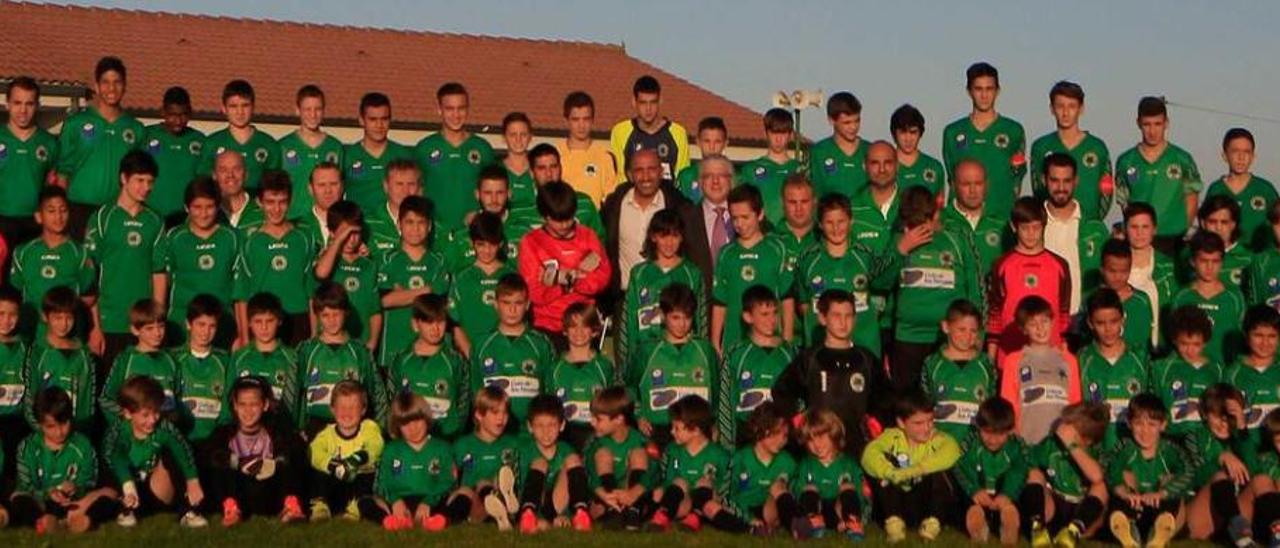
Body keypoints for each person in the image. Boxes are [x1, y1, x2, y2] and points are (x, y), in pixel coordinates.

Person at [772, 289, 891, 459]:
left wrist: (876, 422)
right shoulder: (810, 359)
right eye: (836, 316)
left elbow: (885, 398)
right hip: (818, 449)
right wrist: (799, 420)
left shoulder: (866, 360)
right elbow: (782, 392)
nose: (843, 322)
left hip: (857, 448)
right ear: (822, 318)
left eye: (848, 316)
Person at [891, 185, 980, 390]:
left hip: (949, 341)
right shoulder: (900, 238)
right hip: (908, 338)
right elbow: (880, 282)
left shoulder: (957, 237)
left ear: (935, 214)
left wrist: (977, 337)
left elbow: (976, 288)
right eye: (912, 224)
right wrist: (901, 249)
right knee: (909, 407)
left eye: (923, 223)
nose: (918, 230)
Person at [86, 150, 164, 363]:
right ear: (123, 178)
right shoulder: (102, 217)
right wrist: (94, 327)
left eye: (150, 181)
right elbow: (88, 276)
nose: (146, 187)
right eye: (140, 180)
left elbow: (159, 273)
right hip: (108, 321)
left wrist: (155, 321)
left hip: (141, 325)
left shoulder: (154, 220)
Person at [55, 56, 145, 237]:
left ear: (125, 86)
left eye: (117, 82)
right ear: (96, 86)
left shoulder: (136, 129)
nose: (111, 88)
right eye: (105, 82)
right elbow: (62, 173)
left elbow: (140, 177)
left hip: (118, 211)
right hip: (79, 210)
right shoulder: (75, 124)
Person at [10, 387, 119, 534]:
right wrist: (49, 493)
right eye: (51, 426)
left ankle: (84, 520)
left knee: (110, 492)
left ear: (70, 417)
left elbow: (89, 479)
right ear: (40, 424)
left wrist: (76, 488)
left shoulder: (83, 444)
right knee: (17, 497)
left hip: (74, 505)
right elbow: (26, 484)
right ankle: (43, 521)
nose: (59, 431)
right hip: (42, 503)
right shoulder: (27, 447)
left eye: (64, 423)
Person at [103, 375, 206, 528]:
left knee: (173, 454)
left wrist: (193, 480)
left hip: (155, 489)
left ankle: (187, 510)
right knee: (110, 464)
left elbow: (183, 450)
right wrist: (128, 487)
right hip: (128, 488)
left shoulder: (164, 428)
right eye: (145, 415)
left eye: (156, 412)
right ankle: (126, 510)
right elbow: (115, 458)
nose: (152, 420)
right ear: (128, 413)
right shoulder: (117, 431)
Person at [795, 193, 892, 355]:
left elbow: (881, 292)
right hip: (821, 349)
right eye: (829, 222)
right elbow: (804, 304)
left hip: (864, 345)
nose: (836, 228)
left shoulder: (866, 256)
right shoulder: (807, 260)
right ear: (819, 224)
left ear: (851, 220)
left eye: (841, 222)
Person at [202, 376, 306, 526]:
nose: (248, 410)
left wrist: (274, 463)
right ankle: (231, 510)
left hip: (269, 492)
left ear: (265, 405)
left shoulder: (276, 431)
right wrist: (237, 462)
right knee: (219, 467)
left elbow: (295, 450)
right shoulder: (224, 433)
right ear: (235, 406)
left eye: (254, 404)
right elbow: (208, 455)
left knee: (294, 460)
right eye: (242, 404)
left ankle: (290, 506)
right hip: (239, 492)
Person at [861, 390, 961, 544]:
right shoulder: (892, 436)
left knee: (940, 471)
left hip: (923, 507)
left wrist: (914, 470)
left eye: (930, 421)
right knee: (882, 466)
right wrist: (891, 472)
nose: (927, 428)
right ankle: (894, 525)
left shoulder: (936, 437)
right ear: (901, 423)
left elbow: (953, 450)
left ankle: (932, 524)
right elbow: (868, 455)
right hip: (894, 504)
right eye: (918, 423)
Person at [232, 171, 316, 347]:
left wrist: (314, 334)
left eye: (282, 202)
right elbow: (242, 294)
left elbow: (311, 292)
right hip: (263, 321)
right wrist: (245, 337)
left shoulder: (304, 238)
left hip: (298, 318)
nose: (276, 209)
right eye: (270, 202)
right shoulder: (250, 241)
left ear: (290, 201)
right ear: (259, 202)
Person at [152, 177, 239, 345]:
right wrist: (158, 320)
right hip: (180, 322)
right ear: (186, 207)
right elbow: (162, 280)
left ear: (218, 206)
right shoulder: (174, 237)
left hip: (222, 322)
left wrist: (240, 332)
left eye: (209, 207)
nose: (204, 213)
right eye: (197, 207)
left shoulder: (232, 237)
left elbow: (240, 289)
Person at [628, 283, 717, 448]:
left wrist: (715, 424)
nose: (682, 324)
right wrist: (638, 415)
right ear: (662, 315)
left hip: (696, 433)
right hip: (658, 430)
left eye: (687, 317)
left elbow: (718, 393)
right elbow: (630, 387)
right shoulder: (648, 350)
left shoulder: (705, 350)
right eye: (676, 317)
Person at [519, 181, 611, 338]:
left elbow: (603, 277)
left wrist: (566, 279)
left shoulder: (587, 236)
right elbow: (534, 290)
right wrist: (564, 284)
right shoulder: (531, 242)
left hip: (584, 323)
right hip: (547, 324)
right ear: (544, 216)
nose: (563, 225)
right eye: (557, 220)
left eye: (568, 219)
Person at [710, 184, 794, 353]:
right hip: (734, 345)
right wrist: (715, 342)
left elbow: (787, 299)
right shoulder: (726, 253)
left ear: (760, 214)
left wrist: (787, 339)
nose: (739, 224)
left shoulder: (777, 249)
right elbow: (720, 302)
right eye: (734, 218)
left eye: (745, 217)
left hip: (770, 343)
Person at [359, 392, 460, 531]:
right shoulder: (391, 449)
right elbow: (384, 482)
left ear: (426, 418)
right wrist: (395, 501)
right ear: (397, 425)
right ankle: (390, 521)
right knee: (365, 501)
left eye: (417, 421)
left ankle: (439, 521)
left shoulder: (442, 448)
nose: (413, 428)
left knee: (461, 497)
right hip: (401, 502)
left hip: (432, 501)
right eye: (405, 423)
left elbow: (448, 481)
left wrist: (428, 502)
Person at [618, 209, 705, 369]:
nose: (669, 242)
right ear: (653, 237)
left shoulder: (692, 273)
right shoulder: (639, 274)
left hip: (683, 357)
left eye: (675, 236)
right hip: (646, 356)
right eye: (664, 236)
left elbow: (701, 319)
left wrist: (701, 354)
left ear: (682, 238)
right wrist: (627, 362)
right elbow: (628, 320)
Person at [1115, 97, 1203, 255]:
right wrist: (1137, 232)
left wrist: (1183, 229)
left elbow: (1192, 198)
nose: (1152, 131)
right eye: (1147, 124)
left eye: (1157, 124)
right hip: (1141, 242)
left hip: (1175, 239)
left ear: (1166, 123)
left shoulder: (1182, 159)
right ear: (1138, 123)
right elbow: (1124, 203)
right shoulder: (1126, 161)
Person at [1106, 393, 1195, 548]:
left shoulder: (1171, 450)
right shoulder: (1124, 447)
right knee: (1121, 481)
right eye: (1139, 424)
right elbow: (1111, 469)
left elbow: (1188, 473)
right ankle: (1129, 533)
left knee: (1172, 489)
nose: (1145, 431)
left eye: (1152, 424)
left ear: (1163, 425)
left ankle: (1158, 536)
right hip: (1134, 506)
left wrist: (1162, 493)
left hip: (1160, 507)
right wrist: (1124, 492)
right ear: (1129, 423)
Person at [986, 196, 1072, 356]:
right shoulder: (1002, 265)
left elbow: (1063, 314)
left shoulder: (1060, 265)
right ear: (1014, 226)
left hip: (1050, 356)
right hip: (1010, 353)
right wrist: (991, 358)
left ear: (1044, 226)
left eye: (1036, 228)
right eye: (1025, 228)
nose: (1031, 234)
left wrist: (1064, 354)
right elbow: (995, 314)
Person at [942, 62, 1027, 219]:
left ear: (997, 91)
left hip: (1001, 217)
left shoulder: (1013, 130)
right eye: (978, 89)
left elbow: (1018, 177)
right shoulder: (953, 132)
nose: (984, 95)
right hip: (961, 221)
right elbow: (951, 177)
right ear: (969, 91)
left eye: (989, 89)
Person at [297, 283, 384, 436]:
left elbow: (374, 395)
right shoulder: (306, 350)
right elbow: (294, 396)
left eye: (336, 314)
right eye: (325, 315)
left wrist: (377, 431)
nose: (331, 320)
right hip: (314, 428)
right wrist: (297, 430)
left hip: (353, 431)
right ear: (317, 316)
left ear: (346, 313)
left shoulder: (360, 352)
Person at [1020, 402, 1111, 547]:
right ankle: (1038, 527)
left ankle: (1072, 533)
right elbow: (1027, 462)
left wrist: (1072, 445)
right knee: (1034, 474)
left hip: (1081, 510)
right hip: (1056, 505)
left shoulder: (1096, 451)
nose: (1063, 430)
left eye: (1071, 427)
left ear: (1086, 439)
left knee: (1101, 487)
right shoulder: (1051, 445)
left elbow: (1096, 476)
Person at [716, 286, 797, 448]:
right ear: (748, 316)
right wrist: (727, 446)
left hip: (783, 439)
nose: (771, 320)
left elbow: (800, 402)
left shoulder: (791, 353)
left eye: (775, 313)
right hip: (747, 437)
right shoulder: (736, 354)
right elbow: (725, 401)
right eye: (764, 314)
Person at [9, 186, 93, 340]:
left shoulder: (80, 252)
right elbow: (16, 289)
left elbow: (90, 296)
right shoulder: (23, 252)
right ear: (39, 216)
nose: (59, 217)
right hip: (31, 335)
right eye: (51, 211)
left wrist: (62, 316)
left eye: (63, 210)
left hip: (67, 336)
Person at [469, 274, 555, 424]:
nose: (512, 309)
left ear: (527, 304)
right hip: (494, 432)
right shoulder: (481, 344)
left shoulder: (541, 343)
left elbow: (550, 391)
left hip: (532, 434)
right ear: (495, 304)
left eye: (518, 303)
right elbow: (476, 393)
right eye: (506, 303)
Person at [996, 296, 1082, 445]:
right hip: (1028, 441)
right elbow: (1008, 406)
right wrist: (1015, 440)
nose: (1040, 328)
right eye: (1033, 324)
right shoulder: (1014, 360)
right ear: (1023, 329)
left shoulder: (1069, 360)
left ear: (1052, 322)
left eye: (1044, 321)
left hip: (1061, 444)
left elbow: (1075, 404)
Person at [377, 195, 449, 363]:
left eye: (421, 222)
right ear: (399, 224)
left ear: (430, 226)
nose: (415, 229)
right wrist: (425, 289)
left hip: (431, 350)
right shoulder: (386, 260)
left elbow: (437, 301)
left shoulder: (439, 261)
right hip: (393, 348)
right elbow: (384, 301)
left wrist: (402, 293)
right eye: (409, 222)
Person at [386, 294, 469, 440]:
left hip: (445, 440)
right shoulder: (401, 360)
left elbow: (464, 402)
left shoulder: (456, 361)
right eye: (428, 322)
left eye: (440, 321)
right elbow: (392, 402)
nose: (435, 328)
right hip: (409, 443)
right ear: (415, 324)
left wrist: (454, 434)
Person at [415, 82, 496, 232]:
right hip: (434, 233)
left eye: (461, 108)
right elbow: (415, 191)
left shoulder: (482, 148)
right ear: (439, 110)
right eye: (449, 109)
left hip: (474, 233)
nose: (456, 115)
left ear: (468, 109)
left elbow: (496, 192)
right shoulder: (424, 148)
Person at [1030, 81, 1114, 221]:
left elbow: (1107, 192)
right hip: (1051, 227)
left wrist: (1093, 223)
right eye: (1060, 106)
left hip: (1086, 227)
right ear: (1051, 109)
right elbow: (1038, 190)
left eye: (1072, 106)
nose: (1065, 113)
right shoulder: (1040, 147)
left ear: (1081, 109)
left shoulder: (1097, 148)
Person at [1041, 152, 1112, 318]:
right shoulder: (1033, 225)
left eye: (1066, 181)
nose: (1060, 187)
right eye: (1054, 180)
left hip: (1083, 319)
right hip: (1042, 321)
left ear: (1076, 181)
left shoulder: (1096, 229)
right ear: (1044, 180)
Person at [1079, 289, 1150, 449]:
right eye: (1100, 323)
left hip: (1132, 452)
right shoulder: (1082, 359)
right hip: (1096, 450)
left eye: (1113, 321)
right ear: (1090, 323)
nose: (1108, 329)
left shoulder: (1140, 358)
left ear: (1122, 319)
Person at [645, 395, 729, 533]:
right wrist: (663, 489)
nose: (672, 432)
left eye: (677, 428)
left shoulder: (719, 455)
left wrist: (718, 496)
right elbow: (671, 478)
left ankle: (694, 519)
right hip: (683, 502)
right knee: (678, 482)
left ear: (695, 430)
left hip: (706, 505)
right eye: (672, 427)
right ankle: (661, 518)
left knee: (705, 483)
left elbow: (725, 485)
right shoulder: (674, 451)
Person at [513, 394, 593, 533]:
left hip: (556, 504)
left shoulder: (566, 449)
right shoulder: (524, 451)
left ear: (561, 425)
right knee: (540, 463)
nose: (546, 431)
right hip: (533, 503)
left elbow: (570, 486)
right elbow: (519, 490)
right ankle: (529, 516)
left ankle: (580, 513)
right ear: (530, 427)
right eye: (539, 426)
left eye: (552, 425)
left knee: (573, 459)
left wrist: (563, 515)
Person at [1182, 384, 1251, 543]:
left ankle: (1275, 535)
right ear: (1205, 414)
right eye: (1217, 416)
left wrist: (1241, 427)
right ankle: (1239, 533)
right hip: (1202, 514)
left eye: (1229, 418)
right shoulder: (1193, 438)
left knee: (1261, 481)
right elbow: (1196, 478)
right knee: (1220, 475)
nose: (1223, 424)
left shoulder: (1240, 439)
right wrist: (1220, 458)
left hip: (1237, 508)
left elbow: (1255, 471)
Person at [306, 380, 384, 521]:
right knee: (319, 474)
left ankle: (355, 508)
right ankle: (320, 507)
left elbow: (376, 445)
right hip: (336, 485)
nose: (347, 412)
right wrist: (331, 464)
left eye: (353, 407)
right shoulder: (327, 434)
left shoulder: (368, 428)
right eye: (341, 407)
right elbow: (314, 452)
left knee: (366, 474)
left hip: (358, 486)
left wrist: (358, 458)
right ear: (332, 409)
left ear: (363, 409)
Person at [21, 287, 95, 433]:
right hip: (45, 434)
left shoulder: (84, 353)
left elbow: (88, 401)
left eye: (69, 318)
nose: (64, 324)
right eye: (57, 318)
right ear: (45, 316)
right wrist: (44, 431)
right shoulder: (37, 352)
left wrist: (80, 433)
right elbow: (30, 398)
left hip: (76, 433)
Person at [954, 397, 1027, 545]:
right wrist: (974, 490)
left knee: (1020, 502)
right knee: (963, 505)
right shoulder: (970, 443)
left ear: (1010, 430)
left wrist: (1007, 494)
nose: (993, 440)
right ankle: (977, 525)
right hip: (978, 495)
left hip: (1004, 496)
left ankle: (1009, 522)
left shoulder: (1016, 446)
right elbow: (961, 467)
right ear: (978, 426)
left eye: (1000, 434)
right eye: (987, 433)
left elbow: (1019, 471)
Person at [921, 299, 995, 440]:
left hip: (975, 445)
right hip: (940, 443)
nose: (967, 336)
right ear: (946, 327)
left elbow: (992, 406)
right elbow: (925, 406)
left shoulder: (986, 364)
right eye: (961, 329)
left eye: (973, 331)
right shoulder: (932, 363)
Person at [98, 299, 180, 428]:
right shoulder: (125, 359)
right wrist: (126, 420)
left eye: (161, 326)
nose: (157, 333)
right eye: (149, 328)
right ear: (135, 330)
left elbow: (179, 399)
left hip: (164, 436)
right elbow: (105, 399)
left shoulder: (172, 360)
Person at [545, 302, 614, 451]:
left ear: (594, 331)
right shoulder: (554, 368)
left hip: (596, 436)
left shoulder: (604, 366)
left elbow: (613, 406)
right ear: (565, 330)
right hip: (564, 437)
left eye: (585, 326)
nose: (579, 332)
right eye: (573, 327)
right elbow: (548, 409)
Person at [790, 407, 866, 540]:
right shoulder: (806, 464)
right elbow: (797, 492)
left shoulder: (848, 463)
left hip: (840, 509)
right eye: (810, 440)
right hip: (818, 509)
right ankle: (814, 522)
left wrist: (857, 512)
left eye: (821, 437)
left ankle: (852, 522)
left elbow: (859, 492)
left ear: (834, 434)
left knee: (847, 486)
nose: (817, 444)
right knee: (809, 488)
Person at [313, 200, 381, 348]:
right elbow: (321, 274)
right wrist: (337, 242)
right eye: (345, 233)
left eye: (356, 233)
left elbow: (375, 309)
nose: (351, 239)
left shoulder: (369, 265)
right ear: (332, 232)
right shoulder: (327, 260)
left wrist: (373, 341)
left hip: (360, 343)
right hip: (328, 342)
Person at [1170, 231, 1246, 365]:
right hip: (1190, 373)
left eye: (1215, 261)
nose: (1209, 267)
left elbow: (1241, 340)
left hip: (1224, 374)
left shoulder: (1234, 297)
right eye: (1204, 261)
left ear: (1222, 262)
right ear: (1193, 262)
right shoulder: (1181, 297)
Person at [447, 211, 517, 357]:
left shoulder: (512, 275)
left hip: (506, 354)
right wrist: (471, 356)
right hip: (471, 354)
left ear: (501, 244)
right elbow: (455, 323)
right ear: (472, 243)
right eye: (481, 244)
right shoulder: (461, 278)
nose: (487, 250)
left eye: (492, 244)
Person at [722, 402, 797, 536]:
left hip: (771, 510)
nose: (781, 440)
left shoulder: (788, 462)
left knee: (778, 487)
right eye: (776, 433)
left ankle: (796, 525)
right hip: (743, 509)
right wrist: (748, 517)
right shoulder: (740, 459)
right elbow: (728, 495)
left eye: (785, 436)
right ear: (758, 429)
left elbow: (794, 493)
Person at [583, 386, 652, 530]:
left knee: (639, 454)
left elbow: (655, 471)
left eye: (598, 419)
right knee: (603, 454)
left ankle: (633, 510)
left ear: (619, 419)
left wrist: (634, 493)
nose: (592, 423)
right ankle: (615, 510)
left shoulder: (640, 440)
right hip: (606, 496)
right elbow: (589, 474)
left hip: (633, 493)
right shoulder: (594, 442)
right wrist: (604, 495)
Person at [0, 76, 58, 246]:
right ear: (7, 104)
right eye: (17, 103)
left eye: (29, 104)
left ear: (37, 106)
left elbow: (53, 186)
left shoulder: (49, 143)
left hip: (35, 223)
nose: (23, 110)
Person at [229, 293, 301, 427]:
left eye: (269, 321)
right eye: (258, 321)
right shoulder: (240, 357)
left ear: (279, 321)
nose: (264, 327)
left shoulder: (292, 357)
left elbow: (297, 402)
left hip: (280, 431)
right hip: (245, 433)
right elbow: (228, 400)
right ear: (249, 322)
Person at [453, 386, 520, 529]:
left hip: (504, 498)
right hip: (473, 503)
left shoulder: (513, 445)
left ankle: (501, 505)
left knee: (488, 483)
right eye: (495, 412)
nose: (501, 418)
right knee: (472, 488)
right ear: (479, 414)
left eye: (505, 413)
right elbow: (451, 480)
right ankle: (495, 510)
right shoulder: (462, 445)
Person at [1150, 305, 1221, 438]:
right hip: (1173, 439)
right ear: (1174, 340)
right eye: (1184, 344)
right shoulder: (1161, 368)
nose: (1190, 350)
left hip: (1208, 441)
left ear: (1205, 342)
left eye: (1196, 344)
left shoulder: (1216, 369)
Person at [198, 79, 280, 191]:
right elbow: (204, 183)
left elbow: (274, 187)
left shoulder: (268, 144)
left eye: (245, 105)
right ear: (224, 108)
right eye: (233, 106)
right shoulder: (212, 143)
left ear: (253, 107)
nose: (240, 112)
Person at [1206, 127, 1277, 252]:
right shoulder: (1216, 189)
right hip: (1227, 260)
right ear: (1224, 155)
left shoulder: (1265, 190)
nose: (1241, 157)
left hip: (1259, 259)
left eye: (1246, 152)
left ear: (1253, 156)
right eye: (1235, 151)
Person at [173, 295, 232, 444]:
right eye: (201, 324)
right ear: (188, 324)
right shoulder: (173, 359)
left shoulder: (226, 361)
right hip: (179, 441)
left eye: (212, 326)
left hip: (214, 443)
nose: (206, 332)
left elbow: (228, 409)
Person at [279, 85, 343, 220]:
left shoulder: (335, 147)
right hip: (293, 220)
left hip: (327, 221)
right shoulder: (283, 146)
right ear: (297, 110)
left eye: (317, 109)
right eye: (307, 109)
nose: (313, 115)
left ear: (324, 111)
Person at [342, 92, 412, 215]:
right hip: (358, 228)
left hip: (393, 229)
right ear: (361, 120)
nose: (379, 125)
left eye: (384, 119)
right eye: (373, 119)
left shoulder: (404, 155)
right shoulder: (347, 156)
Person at [142, 86, 204, 224]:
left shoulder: (199, 140)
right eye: (172, 115)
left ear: (190, 113)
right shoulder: (146, 136)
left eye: (183, 115)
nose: (178, 120)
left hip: (185, 218)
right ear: (162, 112)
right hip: (149, 214)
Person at [610, 75, 689, 182]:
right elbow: (620, 177)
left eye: (653, 102)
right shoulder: (620, 132)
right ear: (634, 102)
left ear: (660, 101)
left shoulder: (678, 133)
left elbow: (683, 177)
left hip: (669, 197)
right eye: (643, 103)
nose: (648, 109)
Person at [940, 159, 1009, 277]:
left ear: (987, 185)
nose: (973, 191)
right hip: (953, 294)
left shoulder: (1002, 222)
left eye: (978, 183)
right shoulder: (940, 222)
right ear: (953, 185)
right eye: (966, 184)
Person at [1123, 202, 1177, 346]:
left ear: (1154, 229)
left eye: (1145, 227)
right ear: (1125, 229)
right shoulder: (1116, 266)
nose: (1139, 233)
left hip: (1161, 347)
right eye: (1134, 227)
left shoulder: (1169, 267)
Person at [1225, 305, 1280, 443]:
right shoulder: (1232, 374)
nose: (1265, 343)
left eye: (1272, 336)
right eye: (1258, 335)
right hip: (1246, 453)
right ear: (1246, 335)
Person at [1095, 239, 1157, 356]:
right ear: (1102, 269)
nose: (1118, 277)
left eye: (1123, 271)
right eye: (1112, 271)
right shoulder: (1093, 300)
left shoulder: (1141, 301)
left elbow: (1144, 343)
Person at [738, 108, 799, 225]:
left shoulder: (800, 169)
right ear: (765, 133)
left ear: (790, 135)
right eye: (774, 133)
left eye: (783, 133)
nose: (778, 139)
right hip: (763, 236)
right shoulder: (750, 170)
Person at [558, 91, 618, 206]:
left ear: (593, 120)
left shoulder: (604, 156)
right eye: (575, 120)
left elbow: (611, 199)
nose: (581, 125)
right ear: (566, 121)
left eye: (586, 119)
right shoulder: (556, 154)